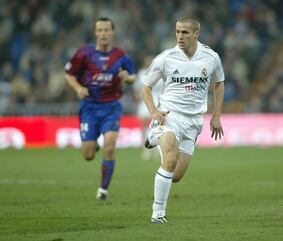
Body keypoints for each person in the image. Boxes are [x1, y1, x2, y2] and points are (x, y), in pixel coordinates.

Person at [141, 16, 225, 224]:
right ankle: (158, 213)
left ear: (196, 34)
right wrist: (153, 112)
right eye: (177, 31)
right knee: (169, 159)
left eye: (185, 32)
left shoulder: (211, 57)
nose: (180, 36)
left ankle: (154, 138)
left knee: (176, 175)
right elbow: (145, 86)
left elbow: (219, 83)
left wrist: (216, 116)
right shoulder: (165, 58)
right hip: (170, 116)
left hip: (194, 121)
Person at [64, 17, 136, 201]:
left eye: (107, 30)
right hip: (89, 107)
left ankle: (103, 190)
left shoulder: (121, 56)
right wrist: (78, 88)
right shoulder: (84, 54)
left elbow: (133, 76)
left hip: (111, 107)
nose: (104, 33)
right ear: (95, 33)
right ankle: (92, 145)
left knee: (110, 146)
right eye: (100, 30)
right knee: (88, 154)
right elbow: (69, 74)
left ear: (113, 32)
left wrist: (126, 77)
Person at [133, 56, 164, 160]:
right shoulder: (142, 72)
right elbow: (137, 87)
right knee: (144, 124)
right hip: (145, 100)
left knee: (156, 125)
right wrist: (137, 97)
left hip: (158, 101)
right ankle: (145, 148)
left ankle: (156, 148)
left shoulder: (161, 72)